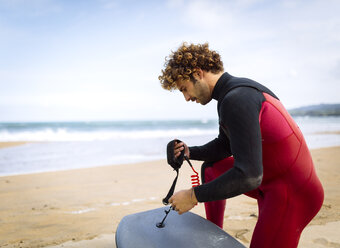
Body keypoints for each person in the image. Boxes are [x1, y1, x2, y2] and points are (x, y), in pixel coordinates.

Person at [158, 42, 324, 248]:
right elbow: (224, 146)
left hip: (291, 194)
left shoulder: (237, 99)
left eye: (185, 88)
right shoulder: (232, 94)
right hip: (269, 182)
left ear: (198, 73)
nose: (186, 98)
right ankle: (213, 236)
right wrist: (188, 152)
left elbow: (249, 175)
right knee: (211, 168)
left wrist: (193, 195)